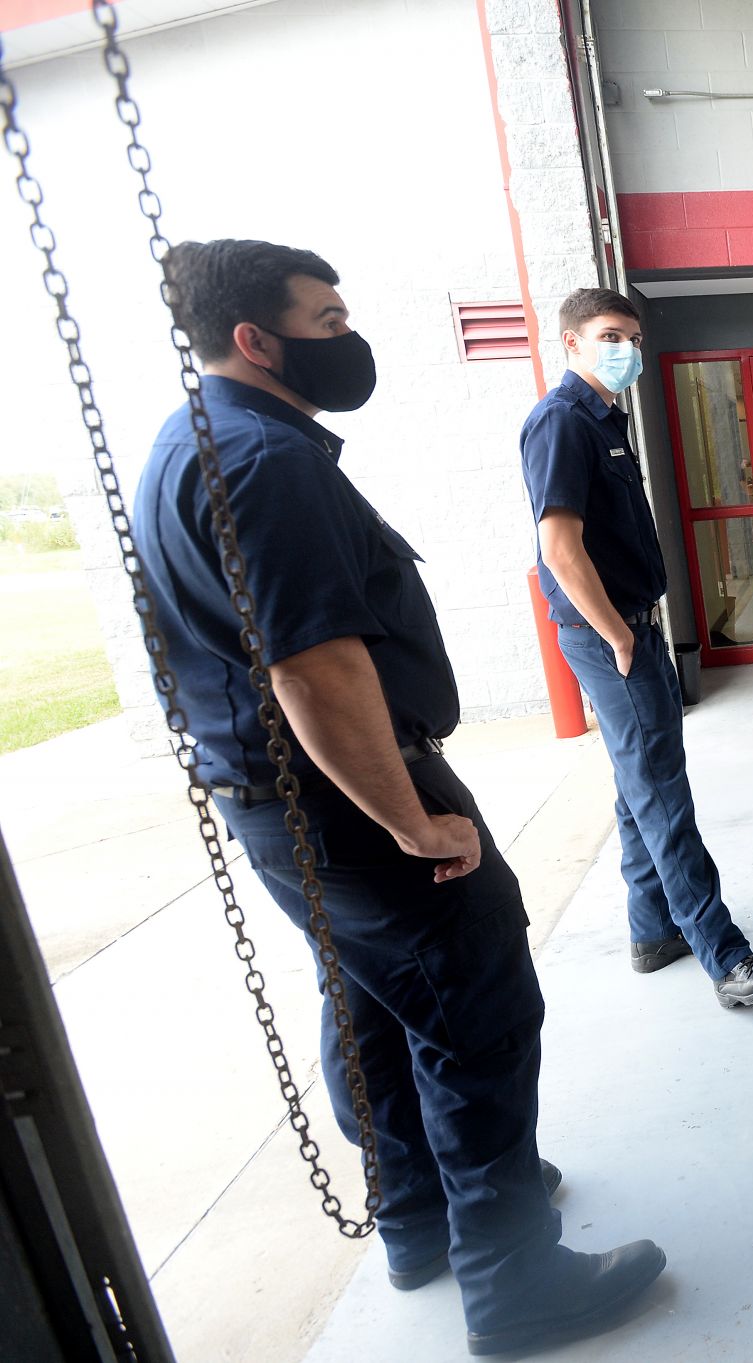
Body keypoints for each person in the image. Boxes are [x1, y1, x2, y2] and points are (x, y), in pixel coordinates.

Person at [131, 240, 665, 1357]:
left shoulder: (188, 441)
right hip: (348, 797)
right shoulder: (263, 462)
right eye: (326, 317)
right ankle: (514, 1279)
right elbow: (313, 665)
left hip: (287, 802)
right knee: (474, 1006)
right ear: (255, 339)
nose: (347, 332)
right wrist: (408, 819)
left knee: (372, 1001)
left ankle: (420, 1218)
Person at [519, 287, 753, 1009]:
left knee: (637, 783)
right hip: (608, 634)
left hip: (632, 626)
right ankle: (727, 959)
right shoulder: (560, 423)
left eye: (633, 339)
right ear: (572, 343)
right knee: (663, 796)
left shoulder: (605, 417)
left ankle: (652, 931)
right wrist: (616, 635)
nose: (627, 351)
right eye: (611, 336)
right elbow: (559, 548)